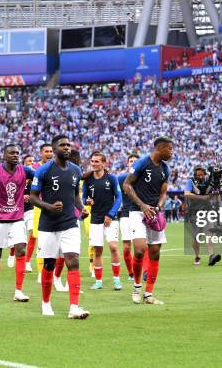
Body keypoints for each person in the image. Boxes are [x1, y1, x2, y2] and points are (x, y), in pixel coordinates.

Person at [30, 135, 90, 319]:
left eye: (68, 145)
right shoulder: (43, 170)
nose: (67, 148)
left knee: (72, 261)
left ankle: (74, 307)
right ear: (54, 149)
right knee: (48, 265)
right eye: (62, 145)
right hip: (48, 225)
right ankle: (46, 303)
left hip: (70, 223)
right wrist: (49, 207)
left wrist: (81, 208)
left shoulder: (76, 170)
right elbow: (32, 196)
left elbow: (75, 195)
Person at [123, 136, 173, 305]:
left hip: (154, 214)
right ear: (161, 148)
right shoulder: (142, 163)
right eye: (170, 149)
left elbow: (163, 192)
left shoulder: (165, 169)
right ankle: (137, 287)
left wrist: (158, 207)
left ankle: (149, 294)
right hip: (137, 212)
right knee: (138, 250)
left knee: (155, 252)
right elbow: (126, 185)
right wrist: (142, 205)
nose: (171, 152)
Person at [0, 144, 34, 303]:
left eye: (17, 153)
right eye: (11, 153)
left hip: (17, 218)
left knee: (20, 250)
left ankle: (19, 291)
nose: (15, 155)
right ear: (4, 155)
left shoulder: (25, 170)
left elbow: (41, 177)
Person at [83, 151, 123, 290]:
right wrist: (86, 201)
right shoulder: (88, 180)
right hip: (95, 218)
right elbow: (83, 198)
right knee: (97, 250)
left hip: (111, 218)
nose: (93, 164)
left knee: (113, 247)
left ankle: (116, 279)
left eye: (96, 161)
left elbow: (119, 198)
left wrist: (111, 215)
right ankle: (98, 281)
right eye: (92, 161)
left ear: (103, 163)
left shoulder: (111, 178)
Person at [185, 165, 221, 266]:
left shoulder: (210, 180)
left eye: (202, 174)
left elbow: (215, 193)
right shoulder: (191, 181)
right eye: (198, 175)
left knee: (209, 232)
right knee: (196, 236)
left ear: (205, 173)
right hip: (194, 211)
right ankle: (197, 256)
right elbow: (186, 193)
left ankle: (211, 255)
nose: (200, 176)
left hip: (207, 209)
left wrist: (215, 192)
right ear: (195, 175)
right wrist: (202, 197)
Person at [31, 143, 54, 281]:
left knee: (54, 241)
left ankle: (52, 271)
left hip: (54, 207)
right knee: (41, 240)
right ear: (41, 153)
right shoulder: (35, 168)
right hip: (39, 207)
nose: (49, 154)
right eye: (46, 151)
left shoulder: (57, 166)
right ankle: (41, 271)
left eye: (51, 151)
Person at [117, 153, 140, 281]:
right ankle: (131, 273)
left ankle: (141, 271)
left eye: (135, 161)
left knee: (141, 246)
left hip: (140, 214)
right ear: (127, 163)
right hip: (125, 215)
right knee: (126, 247)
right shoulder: (120, 178)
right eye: (131, 161)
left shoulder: (143, 178)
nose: (133, 163)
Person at [23, 154, 36, 273]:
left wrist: (31, 197)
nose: (31, 162)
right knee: (19, 240)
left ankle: (27, 262)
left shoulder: (35, 178)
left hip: (30, 209)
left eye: (33, 161)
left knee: (33, 233)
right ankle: (13, 254)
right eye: (29, 161)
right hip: (16, 210)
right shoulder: (18, 175)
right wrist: (21, 197)